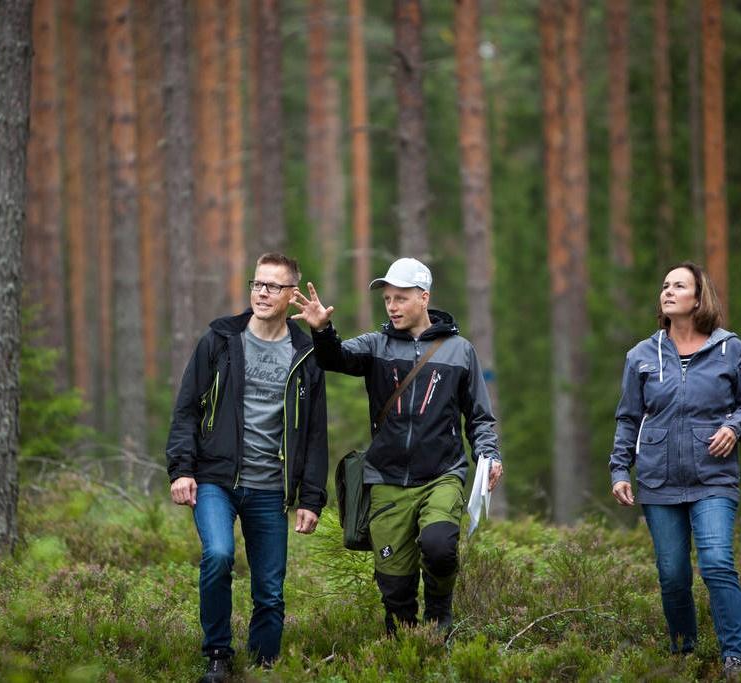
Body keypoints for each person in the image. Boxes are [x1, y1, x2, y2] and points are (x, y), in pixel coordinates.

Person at [291, 257, 503, 634]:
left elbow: (480, 416)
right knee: (395, 586)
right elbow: (334, 358)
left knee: (439, 546)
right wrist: (322, 331)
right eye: (387, 299)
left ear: (424, 298)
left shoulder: (460, 351)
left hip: (441, 474)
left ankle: (439, 617)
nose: (392, 306)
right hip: (386, 478)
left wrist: (489, 454)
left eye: (400, 298)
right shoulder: (375, 344)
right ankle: (404, 643)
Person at [165, 253, 328, 682]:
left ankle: (262, 667)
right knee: (218, 555)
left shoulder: (305, 352)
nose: (261, 293)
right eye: (257, 284)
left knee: (270, 592)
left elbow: (314, 432)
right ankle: (217, 654)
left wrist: (311, 497)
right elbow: (186, 410)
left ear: (292, 294)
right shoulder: (220, 340)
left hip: (271, 488)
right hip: (215, 478)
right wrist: (181, 469)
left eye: (273, 286)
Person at [608, 261, 741, 679]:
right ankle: (684, 652)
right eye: (665, 285)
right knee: (673, 575)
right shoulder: (641, 355)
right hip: (658, 481)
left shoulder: (731, 349)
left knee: (716, 563)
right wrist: (620, 470)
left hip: (714, 478)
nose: (668, 291)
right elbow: (628, 418)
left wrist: (734, 426)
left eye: (679, 285)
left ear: (699, 298)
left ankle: (734, 657)